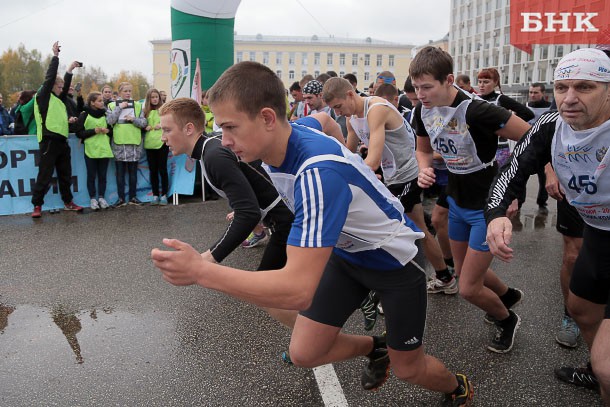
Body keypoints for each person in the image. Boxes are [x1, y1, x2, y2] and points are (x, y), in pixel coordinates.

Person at [152, 61, 474, 406]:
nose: (224, 142)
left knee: (409, 369)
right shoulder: (287, 132)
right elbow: (322, 119)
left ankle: (458, 386)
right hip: (347, 255)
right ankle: (376, 347)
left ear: (266, 118)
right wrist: (349, 154)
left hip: (394, 262)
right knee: (305, 352)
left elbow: (296, 290)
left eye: (230, 128)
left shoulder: (318, 175)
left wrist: (203, 271)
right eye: (220, 128)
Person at [485, 47, 610, 399]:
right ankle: (596, 370)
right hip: (597, 233)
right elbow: (510, 173)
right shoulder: (551, 124)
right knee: (582, 309)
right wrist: (495, 217)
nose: (568, 99)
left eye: (584, 87)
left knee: (608, 365)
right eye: (561, 87)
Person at [411, 46, 531, 353]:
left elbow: (532, 138)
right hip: (457, 201)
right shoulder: (421, 111)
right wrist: (424, 169)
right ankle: (506, 295)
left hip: (487, 207)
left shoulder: (478, 110)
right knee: (465, 273)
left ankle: (507, 319)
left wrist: (512, 188)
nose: (420, 94)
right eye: (415, 87)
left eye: (427, 87)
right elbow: (423, 149)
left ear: (448, 80)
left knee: (468, 288)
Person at [323, 77, 456, 302]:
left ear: (349, 94)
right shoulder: (351, 119)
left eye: (338, 106)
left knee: (387, 230)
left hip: (407, 176)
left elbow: (372, 161)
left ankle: (390, 290)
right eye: (334, 109)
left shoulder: (376, 109)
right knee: (420, 230)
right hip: (393, 178)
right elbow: (350, 155)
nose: (339, 112)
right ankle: (446, 278)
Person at [31, 41, 84, 218]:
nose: (63, 90)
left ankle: (68, 202)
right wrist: (55, 56)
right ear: (52, 86)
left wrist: (69, 70)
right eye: (59, 87)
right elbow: (49, 77)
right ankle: (37, 205)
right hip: (48, 141)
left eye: (63, 87)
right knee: (45, 175)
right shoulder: (43, 96)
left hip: (62, 141)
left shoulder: (59, 100)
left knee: (65, 174)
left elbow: (65, 83)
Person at [477, 68, 534, 168]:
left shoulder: (500, 99)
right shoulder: (475, 99)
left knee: (499, 180)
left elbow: (527, 113)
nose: (481, 85)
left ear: (495, 83)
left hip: (499, 149)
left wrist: (503, 125)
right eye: (479, 81)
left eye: (486, 82)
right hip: (480, 147)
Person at [106, 82, 147, 206]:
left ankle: (133, 197)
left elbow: (144, 123)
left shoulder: (138, 105)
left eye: (130, 91)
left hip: (134, 142)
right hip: (119, 143)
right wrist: (120, 108)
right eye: (125, 91)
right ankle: (121, 199)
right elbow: (110, 120)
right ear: (119, 93)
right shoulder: (112, 105)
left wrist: (133, 119)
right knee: (120, 173)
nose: (128, 93)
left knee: (133, 173)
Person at [75, 91, 113, 210]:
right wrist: (93, 131)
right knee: (91, 175)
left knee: (103, 176)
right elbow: (78, 133)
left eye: (102, 101)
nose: (102, 103)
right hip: (91, 150)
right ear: (92, 102)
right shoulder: (84, 114)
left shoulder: (106, 114)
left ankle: (101, 197)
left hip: (104, 149)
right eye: (100, 101)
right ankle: (92, 199)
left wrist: (108, 131)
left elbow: (111, 130)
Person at [526, 83, 552, 213]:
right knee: (521, 178)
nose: (532, 95)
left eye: (535, 92)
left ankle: (542, 203)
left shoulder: (549, 108)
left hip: (544, 150)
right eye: (531, 92)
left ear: (543, 94)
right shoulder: (525, 107)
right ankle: (518, 202)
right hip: (528, 149)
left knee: (544, 179)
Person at [143, 88, 169, 206]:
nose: (154, 99)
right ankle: (155, 195)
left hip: (162, 143)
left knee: (162, 169)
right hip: (149, 144)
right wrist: (145, 127)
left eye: (156, 97)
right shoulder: (145, 111)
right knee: (153, 171)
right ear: (149, 99)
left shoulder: (164, 110)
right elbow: (141, 123)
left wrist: (162, 125)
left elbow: (170, 123)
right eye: (152, 97)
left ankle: (164, 194)